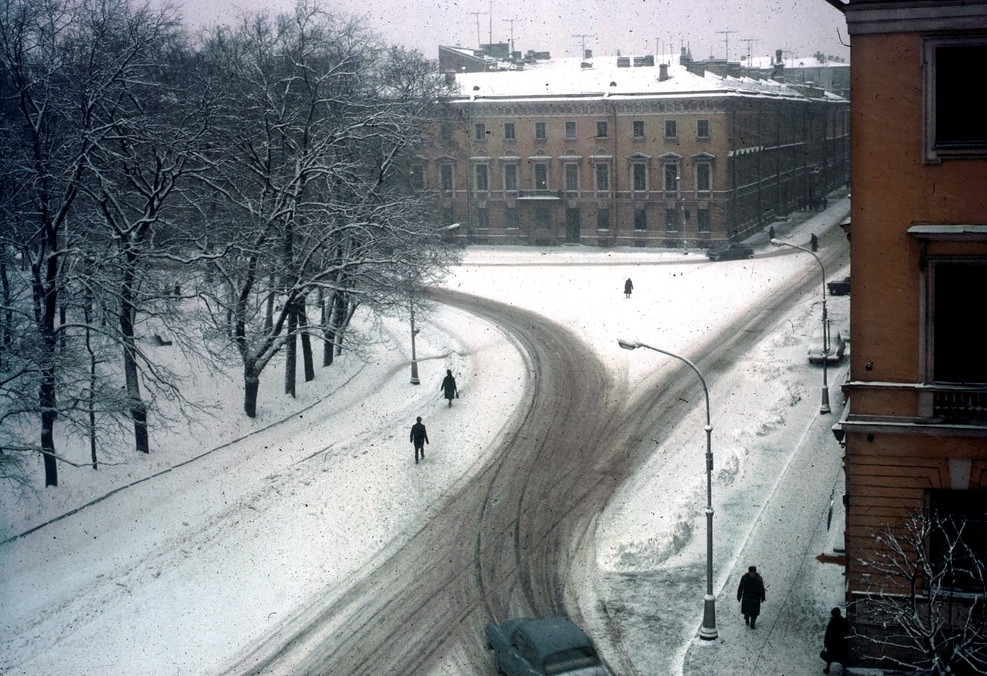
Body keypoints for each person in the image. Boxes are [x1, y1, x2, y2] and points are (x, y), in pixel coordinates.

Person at [822, 607, 849, 674]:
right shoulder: (844, 621)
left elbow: (828, 632)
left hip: (832, 643)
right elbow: (847, 631)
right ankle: (844, 671)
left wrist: (826, 642)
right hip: (841, 642)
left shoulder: (832, 621)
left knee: (830, 657)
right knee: (842, 658)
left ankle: (827, 669)